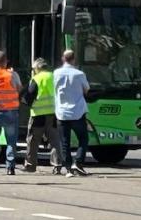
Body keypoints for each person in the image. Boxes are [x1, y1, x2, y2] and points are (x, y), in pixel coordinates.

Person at [53, 50, 90, 178]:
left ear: (63, 59)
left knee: (64, 142)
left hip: (61, 113)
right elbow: (86, 89)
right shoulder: (79, 74)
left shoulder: (56, 73)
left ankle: (68, 169)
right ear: (74, 59)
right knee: (83, 139)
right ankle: (78, 162)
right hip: (77, 112)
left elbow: (54, 90)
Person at [21, 58, 61, 174]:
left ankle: (30, 165)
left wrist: (23, 100)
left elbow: (29, 97)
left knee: (33, 141)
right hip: (53, 114)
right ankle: (57, 166)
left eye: (33, 69)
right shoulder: (54, 77)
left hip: (38, 115)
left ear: (37, 68)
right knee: (54, 141)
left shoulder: (37, 79)